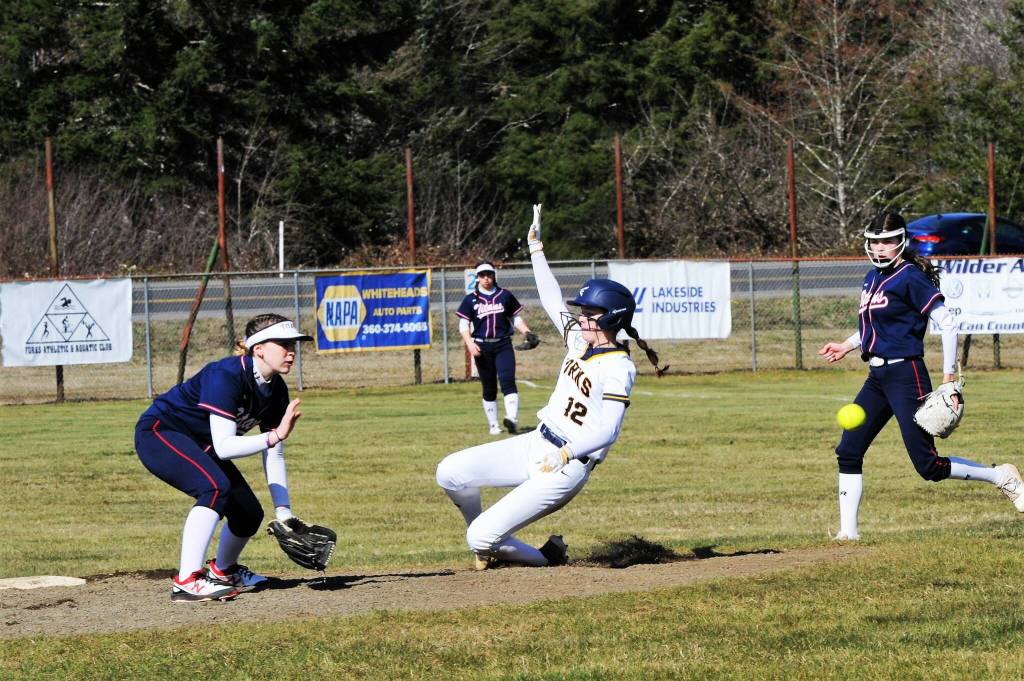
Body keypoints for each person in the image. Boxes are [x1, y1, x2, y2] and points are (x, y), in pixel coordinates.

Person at [436, 204, 666, 569]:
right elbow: (551, 298)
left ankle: (545, 558)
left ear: (610, 318)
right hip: (537, 441)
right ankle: (492, 540)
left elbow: (608, 430)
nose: (580, 317)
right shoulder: (579, 340)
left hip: (567, 466)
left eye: (589, 314)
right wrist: (536, 250)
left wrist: (564, 455)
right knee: (449, 471)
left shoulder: (619, 367)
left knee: (477, 536)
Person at [818, 212, 1024, 540]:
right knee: (849, 450)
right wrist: (846, 345)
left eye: (886, 241)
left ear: (900, 241)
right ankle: (848, 533)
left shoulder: (909, 277)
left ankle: (1001, 477)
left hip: (906, 373)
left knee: (927, 466)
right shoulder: (872, 277)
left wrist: (948, 377)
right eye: (874, 241)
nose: (879, 247)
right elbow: (873, 328)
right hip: (877, 377)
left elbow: (948, 322)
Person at [134, 313, 312, 602]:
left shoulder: (276, 389)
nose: (291, 351)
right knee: (214, 488)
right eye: (283, 343)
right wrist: (274, 435)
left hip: (201, 443)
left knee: (248, 513)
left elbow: (274, 452)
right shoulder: (227, 375)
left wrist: (283, 511)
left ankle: (222, 571)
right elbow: (226, 447)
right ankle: (187, 581)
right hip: (160, 432)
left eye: (293, 344)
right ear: (259, 349)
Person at [456, 260, 537, 435]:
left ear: (494, 275)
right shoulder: (471, 299)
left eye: (489, 274)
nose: (486, 278)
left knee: (507, 380)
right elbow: (463, 325)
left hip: (503, 344)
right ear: (477, 278)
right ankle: (494, 424)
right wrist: (470, 343)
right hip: (481, 346)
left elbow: (515, 318)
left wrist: (527, 332)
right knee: (489, 386)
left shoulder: (504, 295)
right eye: (482, 275)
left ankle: (512, 419)